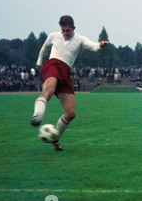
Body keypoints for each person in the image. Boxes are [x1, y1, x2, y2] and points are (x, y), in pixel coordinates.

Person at [31, 15, 109, 150]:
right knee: (48, 92)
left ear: (73, 28)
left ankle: (55, 139)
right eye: (63, 30)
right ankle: (37, 116)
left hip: (65, 72)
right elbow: (44, 49)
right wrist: (39, 64)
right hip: (53, 65)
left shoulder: (80, 40)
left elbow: (94, 46)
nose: (65, 34)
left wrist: (100, 45)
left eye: (68, 30)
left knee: (70, 113)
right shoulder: (53, 36)